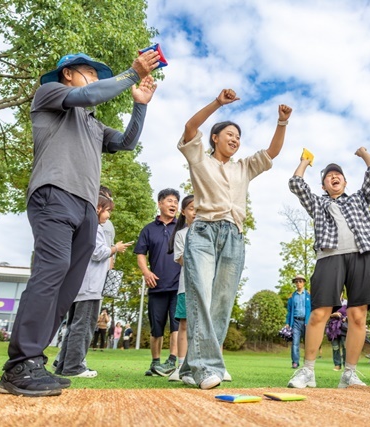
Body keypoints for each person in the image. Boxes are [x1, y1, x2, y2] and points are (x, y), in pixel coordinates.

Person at [0, 51, 158, 397]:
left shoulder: (93, 124)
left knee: (67, 286)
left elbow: (126, 142)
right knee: (51, 270)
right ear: (68, 73)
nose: (96, 79)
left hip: (86, 206)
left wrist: (140, 105)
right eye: (90, 72)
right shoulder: (50, 94)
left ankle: (34, 361)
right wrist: (132, 73)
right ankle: (19, 364)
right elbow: (89, 94)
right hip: (54, 194)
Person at [178, 88, 292, 390]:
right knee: (201, 296)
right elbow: (190, 127)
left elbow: (272, 152)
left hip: (233, 236)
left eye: (238, 137)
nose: (235, 139)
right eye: (229, 134)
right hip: (204, 232)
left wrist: (282, 122)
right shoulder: (199, 159)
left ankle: (190, 367)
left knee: (222, 303)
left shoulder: (244, 167)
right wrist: (218, 103)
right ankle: (207, 366)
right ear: (215, 138)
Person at [288, 147, 370, 389]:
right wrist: (304, 162)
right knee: (319, 313)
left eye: (338, 174)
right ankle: (308, 371)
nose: (334, 176)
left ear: (345, 181)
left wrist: (363, 153)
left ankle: (349, 374)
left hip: (363, 254)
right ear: (324, 186)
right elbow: (296, 184)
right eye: (328, 176)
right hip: (329, 256)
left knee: (358, 315)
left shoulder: (359, 199)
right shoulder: (318, 203)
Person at [55, 195, 130, 378]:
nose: (109, 215)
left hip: (79, 285)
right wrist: (115, 249)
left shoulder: (81, 224)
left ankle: (64, 365)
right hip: (90, 286)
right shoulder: (94, 227)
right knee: (83, 327)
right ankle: (74, 367)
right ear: (98, 208)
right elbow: (97, 252)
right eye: (108, 210)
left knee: (73, 327)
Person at [134, 188, 182, 377]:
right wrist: (146, 272)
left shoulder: (182, 227)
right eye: (170, 201)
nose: (173, 205)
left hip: (179, 285)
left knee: (177, 324)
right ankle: (155, 364)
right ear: (160, 203)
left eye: (176, 202)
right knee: (156, 327)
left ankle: (171, 361)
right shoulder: (148, 229)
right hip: (156, 286)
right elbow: (140, 253)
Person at [165, 194, 195, 382]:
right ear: (183, 212)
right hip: (186, 286)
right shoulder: (181, 235)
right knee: (184, 325)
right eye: (192, 208)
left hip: (206, 288)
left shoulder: (210, 233)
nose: (196, 212)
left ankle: (209, 365)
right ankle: (182, 366)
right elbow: (182, 259)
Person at [285, 275, 311, 369]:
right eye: (296, 281)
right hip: (295, 322)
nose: (298, 283)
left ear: (304, 283)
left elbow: (313, 309)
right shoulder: (292, 297)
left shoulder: (309, 295)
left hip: (307, 322)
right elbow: (289, 311)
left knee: (308, 344)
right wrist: (287, 322)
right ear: (295, 283)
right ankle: (295, 362)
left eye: (300, 281)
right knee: (295, 343)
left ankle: (307, 363)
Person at [325, 298, 347, 371]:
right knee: (335, 346)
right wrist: (333, 314)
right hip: (333, 327)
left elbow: (351, 313)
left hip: (344, 327)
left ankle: (346, 365)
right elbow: (325, 314)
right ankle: (337, 365)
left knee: (345, 346)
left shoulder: (346, 302)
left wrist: (346, 318)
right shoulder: (330, 302)